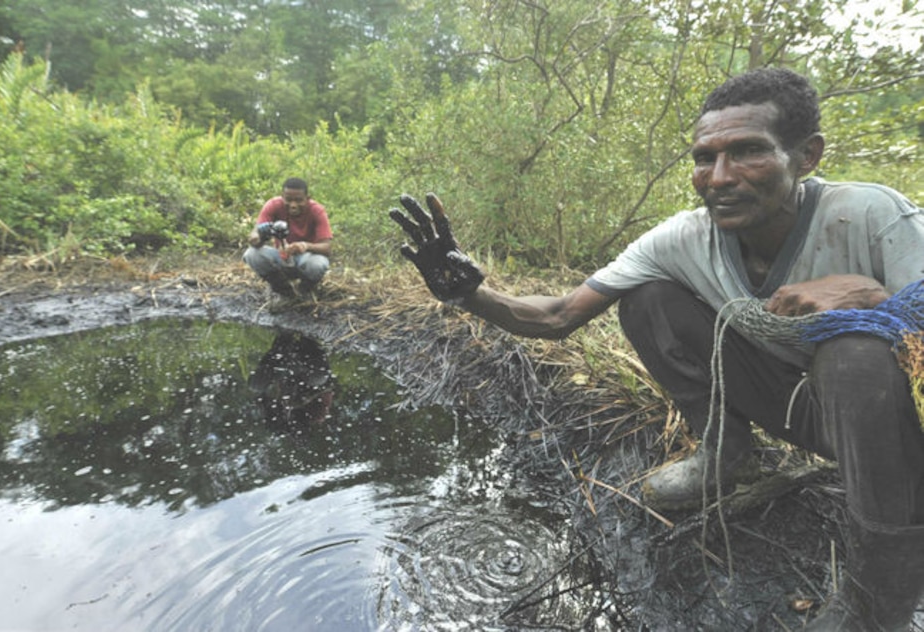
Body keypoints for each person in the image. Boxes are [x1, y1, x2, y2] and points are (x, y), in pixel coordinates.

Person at [388, 67, 924, 631]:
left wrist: (877, 298)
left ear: (806, 156)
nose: (719, 177)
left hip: (896, 432)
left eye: (747, 152)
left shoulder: (869, 213)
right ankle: (724, 455)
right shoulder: (684, 238)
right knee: (646, 299)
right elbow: (557, 316)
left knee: (854, 354)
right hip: (800, 407)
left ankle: (875, 603)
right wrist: (471, 294)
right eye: (704, 158)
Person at [243, 177, 333, 303]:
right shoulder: (273, 205)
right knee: (251, 254)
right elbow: (257, 231)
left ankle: (305, 291)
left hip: (305, 259)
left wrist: (305, 246)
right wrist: (257, 237)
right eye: (288, 200)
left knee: (318, 263)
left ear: (308, 198)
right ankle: (283, 291)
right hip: (281, 257)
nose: (293, 205)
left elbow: (327, 248)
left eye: (299, 200)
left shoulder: (317, 211)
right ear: (282, 197)